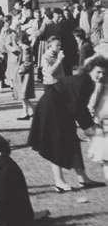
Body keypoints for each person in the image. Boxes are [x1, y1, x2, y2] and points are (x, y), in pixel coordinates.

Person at [28, 56, 105, 191]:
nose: (101, 75)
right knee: (56, 143)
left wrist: (89, 125)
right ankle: (59, 182)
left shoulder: (89, 82)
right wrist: (90, 127)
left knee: (73, 140)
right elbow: (78, 108)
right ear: (90, 69)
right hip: (51, 107)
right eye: (98, 72)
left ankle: (83, 178)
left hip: (62, 108)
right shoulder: (83, 81)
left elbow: (79, 107)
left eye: (104, 73)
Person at [0, 134, 36, 226]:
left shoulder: (3, 170)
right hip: (21, 216)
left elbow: (2, 200)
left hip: (12, 221)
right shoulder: (5, 164)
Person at [85, 56, 108, 181]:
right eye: (99, 72)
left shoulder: (100, 84)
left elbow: (92, 105)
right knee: (104, 155)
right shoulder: (100, 84)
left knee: (104, 155)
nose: (101, 75)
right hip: (102, 121)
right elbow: (93, 104)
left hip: (103, 120)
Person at [15, 31, 35, 120]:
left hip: (25, 74)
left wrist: (20, 70)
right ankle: (32, 111)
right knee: (24, 95)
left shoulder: (25, 48)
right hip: (26, 73)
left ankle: (25, 113)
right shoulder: (25, 47)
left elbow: (27, 62)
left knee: (23, 95)